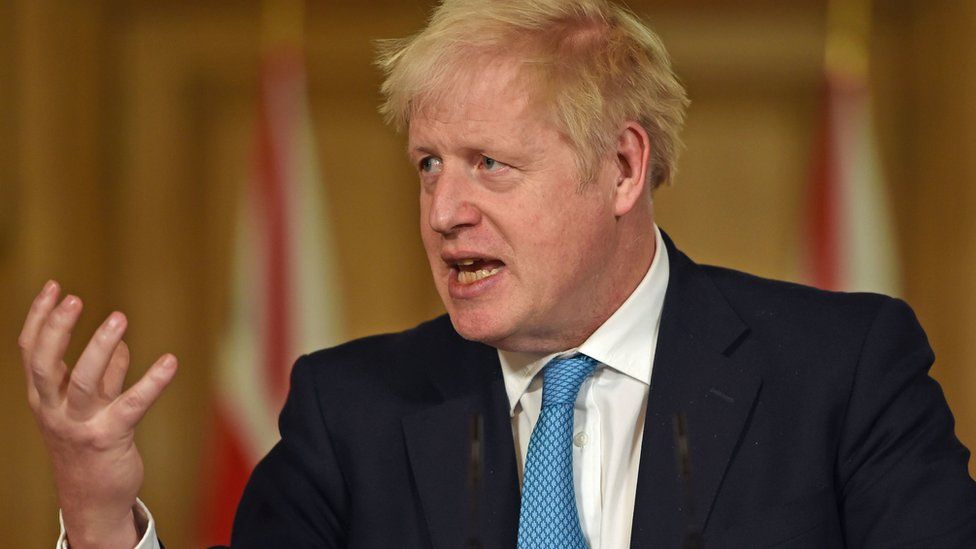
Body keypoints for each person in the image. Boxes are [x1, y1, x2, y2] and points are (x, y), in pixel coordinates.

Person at [19, 0, 976, 547]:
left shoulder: (840, 373)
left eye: (491, 164)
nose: (443, 211)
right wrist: (100, 515)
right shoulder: (352, 409)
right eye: (429, 164)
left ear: (623, 167)